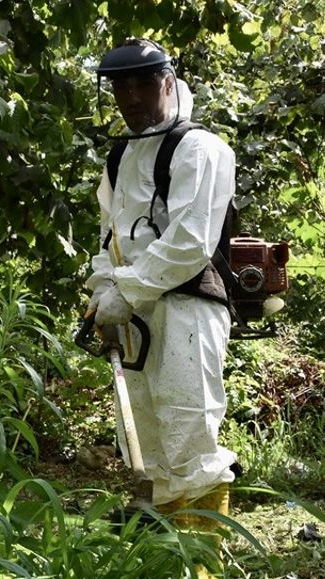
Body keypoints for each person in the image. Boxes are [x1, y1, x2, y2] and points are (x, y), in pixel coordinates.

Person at [85, 38, 237, 525]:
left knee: (188, 430)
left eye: (143, 84)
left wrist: (126, 291)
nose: (131, 97)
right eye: (120, 86)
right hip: (135, 315)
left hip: (187, 307)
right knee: (146, 440)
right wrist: (103, 291)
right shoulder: (121, 158)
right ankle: (163, 566)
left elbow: (190, 242)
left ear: (168, 82)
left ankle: (203, 573)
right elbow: (113, 237)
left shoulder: (201, 148)